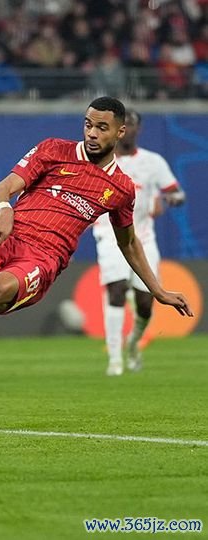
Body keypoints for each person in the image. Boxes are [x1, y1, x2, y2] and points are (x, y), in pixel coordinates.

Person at [0, 97, 193, 437]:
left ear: (120, 131)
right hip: (5, 238)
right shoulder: (53, 150)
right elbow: (3, 189)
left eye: (102, 127)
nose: (93, 133)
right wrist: (4, 209)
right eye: (88, 124)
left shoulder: (120, 189)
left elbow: (128, 242)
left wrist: (157, 289)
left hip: (43, 257)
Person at [94, 109, 186, 376]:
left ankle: (133, 345)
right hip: (109, 235)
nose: (128, 129)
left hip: (142, 237)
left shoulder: (153, 162)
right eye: (124, 124)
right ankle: (114, 360)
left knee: (146, 303)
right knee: (117, 289)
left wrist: (171, 199)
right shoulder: (99, 161)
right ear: (117, 129)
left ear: (138, 129)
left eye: (132, 124)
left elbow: (176, 193)